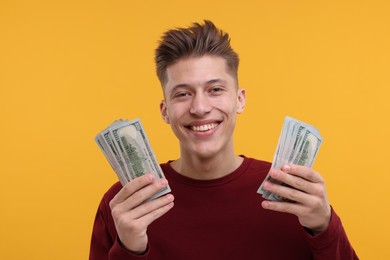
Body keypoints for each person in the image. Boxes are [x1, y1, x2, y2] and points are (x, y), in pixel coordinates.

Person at [89, 20, 358, 260]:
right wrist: (129, 250)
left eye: (215, 90)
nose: (200, 107)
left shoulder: (296, 195)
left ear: (239, 100)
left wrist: (324, 227)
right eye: (182, 94)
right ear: (165, 111)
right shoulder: (125, 203)